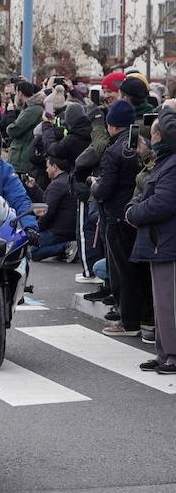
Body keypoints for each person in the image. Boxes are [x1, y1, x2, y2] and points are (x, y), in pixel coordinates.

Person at [129, 109, 176, 372]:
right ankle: (164, 353)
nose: (151, 137)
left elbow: (162, 203)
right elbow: (147, 194)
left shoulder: (173, 163)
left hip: (167, 242)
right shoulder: (164, 162)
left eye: (155, 132)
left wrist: (133, 213)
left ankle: (173, 355)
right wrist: (134, 206)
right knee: (162, 303)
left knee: (170, 302)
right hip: (160, 242)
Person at [93, 102, 144, 338]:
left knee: (122, 270)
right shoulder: (141, 146)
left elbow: (105, 189)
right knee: (139, 269)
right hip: (138, 215)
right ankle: (145, 318)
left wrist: (94, 187)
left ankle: (128, 321)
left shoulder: (114, 152)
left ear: (111, 126)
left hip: (117, 216)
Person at [32, 156, 77, 262]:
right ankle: (67, 248)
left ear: (55, 167)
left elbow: (47, 212)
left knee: (30, 250)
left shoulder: (56, 185)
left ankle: (66, 247)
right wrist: (34, 187)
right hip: (71, 230)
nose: (46, 170)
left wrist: (36, 229)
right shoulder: (69, 181)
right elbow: (48, 201)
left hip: (58, 231)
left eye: (48, 167)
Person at [6, 82, 44, 176]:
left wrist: (10, 117)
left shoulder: (32, 110)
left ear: (20, 93)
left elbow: (14, 129)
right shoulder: (32, 108)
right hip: (26, 156)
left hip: (22, 158)